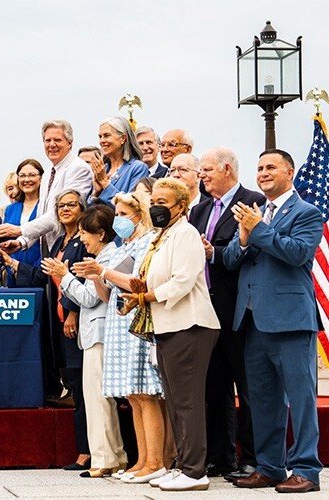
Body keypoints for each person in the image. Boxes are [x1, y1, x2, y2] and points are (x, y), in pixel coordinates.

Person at [224, 149, 323, 494]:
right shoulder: (254, 214)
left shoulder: (307, 212)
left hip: (291, 322)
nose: (263, 172)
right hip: (252, 321)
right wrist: (244, 236)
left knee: (301, 398)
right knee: (263, 399)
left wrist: (259, 230)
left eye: (271, 167)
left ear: (290, 173)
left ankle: (307, 469)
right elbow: (233, 260)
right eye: (260, 167)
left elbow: (297, 254)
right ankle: (270, 467)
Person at [119, 177, 220, 491]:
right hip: (165, 325)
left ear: (181, 206)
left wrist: (146, 297)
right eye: (154, 201)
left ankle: (195, 471)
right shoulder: (159, 236)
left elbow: (182, 281)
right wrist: (138, 291)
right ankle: (180, 464)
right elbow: (152, 278)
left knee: (187, 400)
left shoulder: (186, 234)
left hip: (189, 325)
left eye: (163, 202)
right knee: (175, 400)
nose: (156, 207)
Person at [72, 191, 164, 484]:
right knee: (134, 396)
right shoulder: (126, 245)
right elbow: (108, 291)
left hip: (137, 323)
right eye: (118, 213)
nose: (119, 220)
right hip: (119, 321)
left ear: (140, 214)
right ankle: (142, 460)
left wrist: (102, 271)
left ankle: (156, 461)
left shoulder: (146, 242)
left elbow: (138, 283)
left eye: (124, 214)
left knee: (146, 395)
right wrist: (99, 275)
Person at [0, 190, 91, 469]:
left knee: (83, 386)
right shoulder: (59, 241)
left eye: (71, 205)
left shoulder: (84, 241)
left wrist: (73, 312)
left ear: (82, 208)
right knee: (74, 383)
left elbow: (82, 279)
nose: (65, 210)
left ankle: (88, 452)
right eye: (60, 206)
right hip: (58, 319)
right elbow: (43, 275)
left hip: (77, 317)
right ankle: (86, 447)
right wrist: (13, 264)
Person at [190, 147, 264, 481]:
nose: (201, 176)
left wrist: (213, 252)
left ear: (227, 169)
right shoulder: (200, 210)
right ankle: (220, 457)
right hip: (205, 314)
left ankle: (252, 457)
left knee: (247, 389)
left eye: (206, 170)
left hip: (239, 312)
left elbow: (249, 253)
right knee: (213, 388)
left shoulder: (254, 201)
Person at [51, 205, 127, 478]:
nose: (81, 239)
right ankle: (113, 455)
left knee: (98, 400)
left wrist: (64, 276)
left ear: (101, 234)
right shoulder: (102, 255)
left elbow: (89, 298)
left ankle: (105, 457)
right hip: (94, 335)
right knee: (97, 399)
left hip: (100, 335)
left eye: (85, 233)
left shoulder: (107, 257)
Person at [0, 120, 92, 252]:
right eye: (48, 140)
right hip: (49, 251)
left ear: (70, 143)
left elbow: (60, 214)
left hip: (70, 249)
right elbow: (42, 216)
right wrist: (22, 242)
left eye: (57, 140)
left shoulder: (79, 169)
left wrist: (19, 230)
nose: (52, 145)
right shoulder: (47, 174)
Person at [0, 159, 43, 287]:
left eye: (32, 175)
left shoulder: (45, 207)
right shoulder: (9, 210)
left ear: (41, 178)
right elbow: (4, 242)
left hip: (38, 275)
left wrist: (29, 271)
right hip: (13, 276)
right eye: (22, 176)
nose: (27, 179)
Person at [89, 117, 148, 206]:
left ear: (123, 138)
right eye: (100, 137)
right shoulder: (103, 169)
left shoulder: (138, 168)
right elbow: (88, 211)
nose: (102, 141)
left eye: (107, 135)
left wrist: (105, 184)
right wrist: (96, 193)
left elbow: (131, 207)